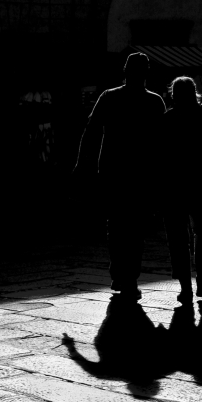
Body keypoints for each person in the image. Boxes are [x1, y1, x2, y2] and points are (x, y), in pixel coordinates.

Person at [73, 52, 165, 296]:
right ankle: (130, 276)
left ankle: (119, 275)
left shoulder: (109, 97)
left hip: (113, 170)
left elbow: (90, 132)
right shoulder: (154, 101)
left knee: (117, 225)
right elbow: (163, 143)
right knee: (136, 227)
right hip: (142, 173)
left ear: (125, 71)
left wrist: (82, 164)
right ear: (146, 72)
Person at [162, 75, 202, 300]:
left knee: (178, 238)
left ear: (173, 94)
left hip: (174, 186)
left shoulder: (168, 118)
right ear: (194, 92)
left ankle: (185, 288)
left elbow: (158, 154)